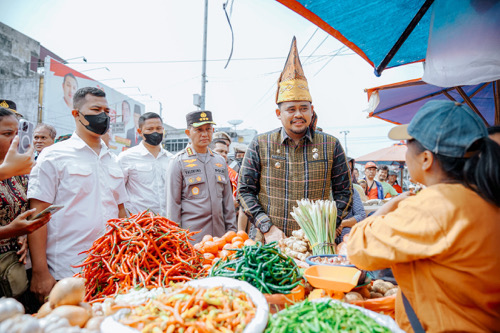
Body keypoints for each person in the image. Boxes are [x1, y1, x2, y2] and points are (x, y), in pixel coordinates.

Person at [347, 100, 500, 332]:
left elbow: (359, 249)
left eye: (408, 145)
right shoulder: (485, 196)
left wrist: (391, 205)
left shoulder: (436, 205)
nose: (405, 151)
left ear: (426, 159)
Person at [238, 37, 352, 243]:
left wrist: (330, 224)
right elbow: (245, 192)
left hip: (318, 243)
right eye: (291, 109)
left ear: (312, 110)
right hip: (269, 243)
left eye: (303, 108)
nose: (298, 114)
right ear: (278, 113)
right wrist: (267, 227)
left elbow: (345, 193)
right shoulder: (260, 144)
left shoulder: (331, 145)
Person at [27, 87, 128, 303]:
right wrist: (39, 271)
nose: (103, 115)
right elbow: (37, 215)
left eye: (106, 110)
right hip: (65, 270)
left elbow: (120, 211)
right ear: (76, 114)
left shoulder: (112, 159)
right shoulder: (54, 156)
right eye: (96, 109)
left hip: (109, 268)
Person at [166, 111, 237, 243]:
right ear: (188, 133)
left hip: (219, 238)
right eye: (199, 130)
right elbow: (173, 205)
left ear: (213, 130)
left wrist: (232, 233)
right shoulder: (178, 162)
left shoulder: (219, 161)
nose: (204, 134)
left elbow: (227, 202)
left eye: (208, 129)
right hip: (192, 239)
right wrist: (175, 241)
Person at [118, 112, 172, 216]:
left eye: (158, 128)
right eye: (150, 129)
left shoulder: (171, 159)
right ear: (140, 132)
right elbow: (117, 192)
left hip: (167, 223)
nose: (155, 132)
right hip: (138, 224)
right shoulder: (126, 158)